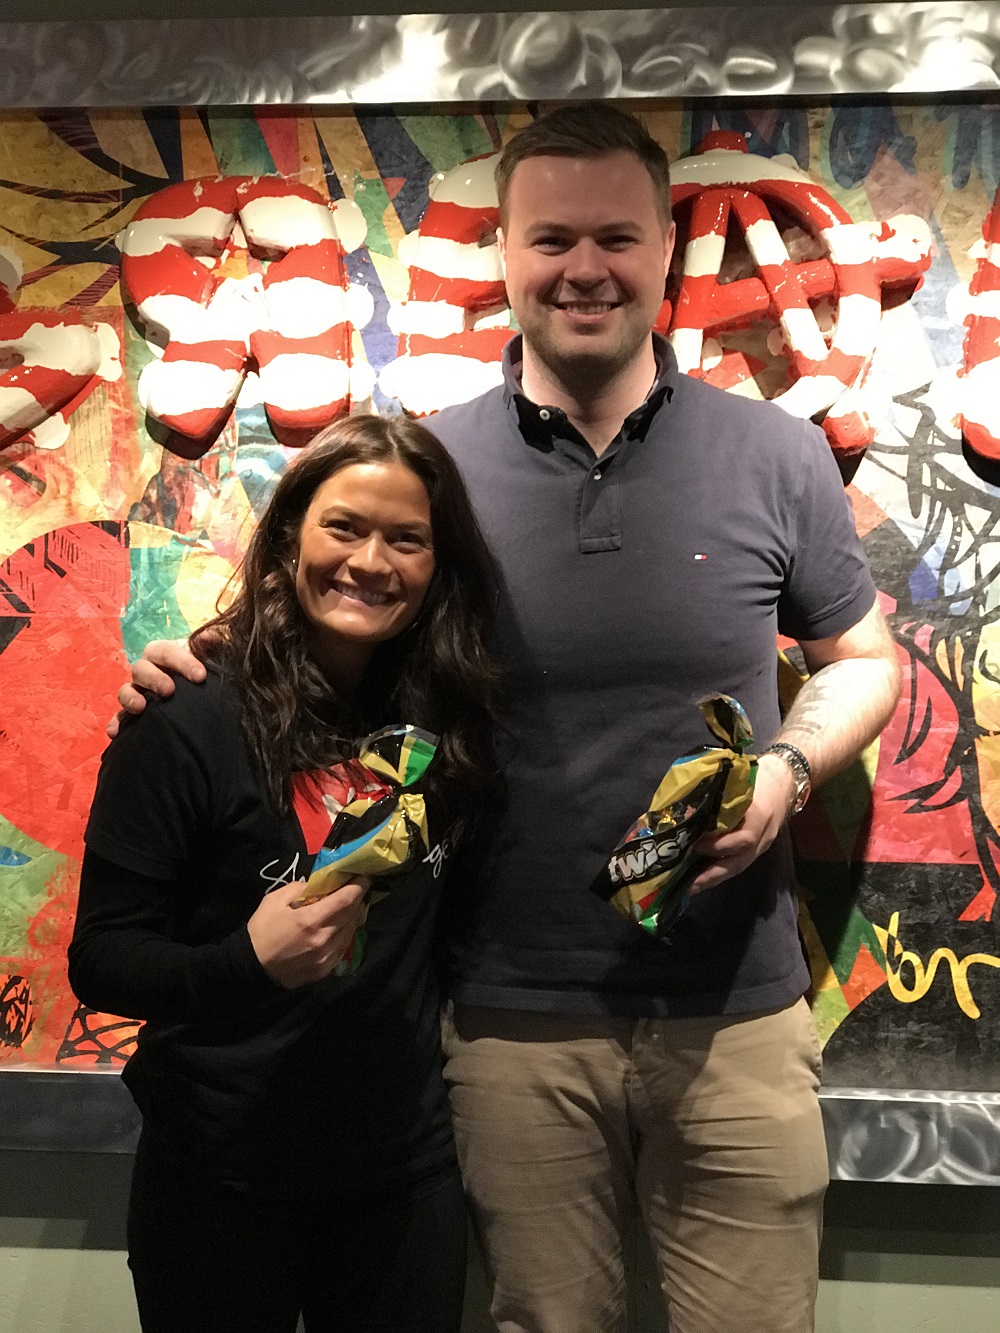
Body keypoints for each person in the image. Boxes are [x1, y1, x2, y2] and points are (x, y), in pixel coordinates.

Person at [120, 105, 902, 1333]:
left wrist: (788, 770)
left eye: (616, 237)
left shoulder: (776, 453)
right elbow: (327, 635)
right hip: (500, 1017)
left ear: (663, 249)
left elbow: (861, 660)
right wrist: (196, 665)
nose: (584, 268)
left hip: (737, 1010)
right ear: (504, 254)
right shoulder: (432, 472)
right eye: (551, 239)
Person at [72, 414, 502, 1333]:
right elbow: (101, 961)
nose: (371, 561)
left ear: (438, 565)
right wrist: (248, 959)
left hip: (400, 1177)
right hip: (218, 1174)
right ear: (292, 537)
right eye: (345, 526)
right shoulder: (186, 715)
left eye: (407, 538)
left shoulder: (451, 726)